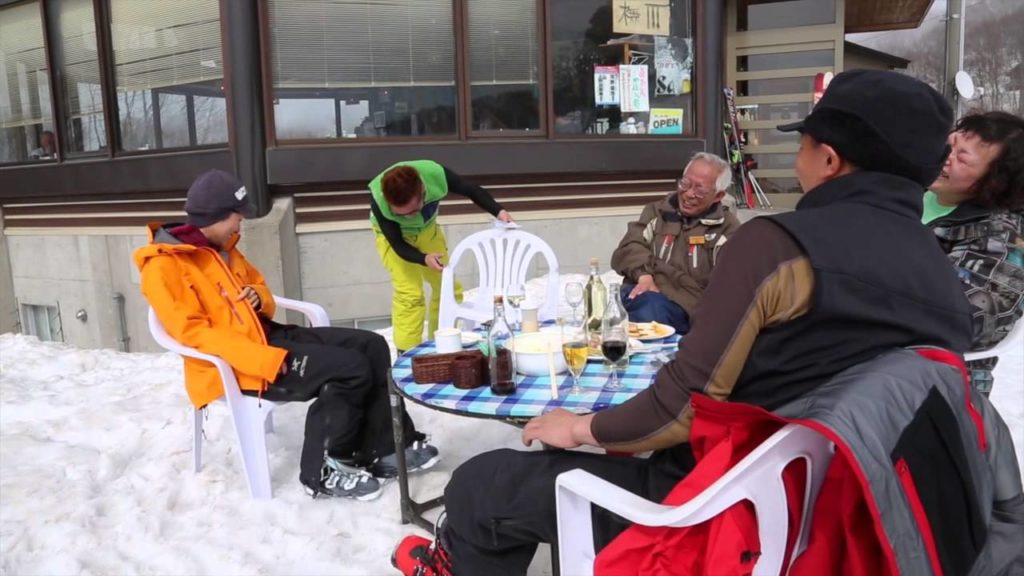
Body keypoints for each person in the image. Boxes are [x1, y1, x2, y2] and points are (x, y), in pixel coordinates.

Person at [390, 71, 1021, 575]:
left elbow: (684, 404)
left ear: (828, 159)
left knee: (481, 484)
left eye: (802, 142)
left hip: (711, 506)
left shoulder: (777, 246)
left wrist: (578, 426)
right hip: (825, 514)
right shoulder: (943, 281)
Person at [135, 169, 439, 500]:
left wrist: (257, 296)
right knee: (349, 368)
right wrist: (261, 359)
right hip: (237, 365)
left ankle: (383, 448)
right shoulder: (164, 266)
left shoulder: (222, 248)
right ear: (216, 215)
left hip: (267, 337)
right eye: (237, 216)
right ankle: (324, 469)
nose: (240, 223)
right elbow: (193, 333)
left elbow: (260, 289)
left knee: (372, 345)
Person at [924, 110, 1024, 395]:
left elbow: (966, 319)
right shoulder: (909, 191)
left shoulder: (1002, 240)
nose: (946, 156)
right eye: (950, 143)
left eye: (962, 158)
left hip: (938, 385)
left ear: (993, 181)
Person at [370, 160, 513, 352]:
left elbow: (471, 190)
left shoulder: (434, 174)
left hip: (427, 231)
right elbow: (398, 245)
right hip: (395, 240)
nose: (408, 217)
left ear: (422, 190)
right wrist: (423, 258)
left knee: (447, 287)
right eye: (401, 214)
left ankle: (441, 342)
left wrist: (498, 210)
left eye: (413, 211)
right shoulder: (379, 200)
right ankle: (407, 352)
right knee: (410, 294)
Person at [610, 152, 741, 334]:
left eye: (700, 191)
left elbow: (732, 282)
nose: (688, 194)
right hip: (643, 292)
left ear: (718, 196)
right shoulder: (657, 212)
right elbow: (629, 246)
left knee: (652, 311)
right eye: (685, 184)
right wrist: (644, 275)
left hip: (689, 308)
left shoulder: (727, 229)